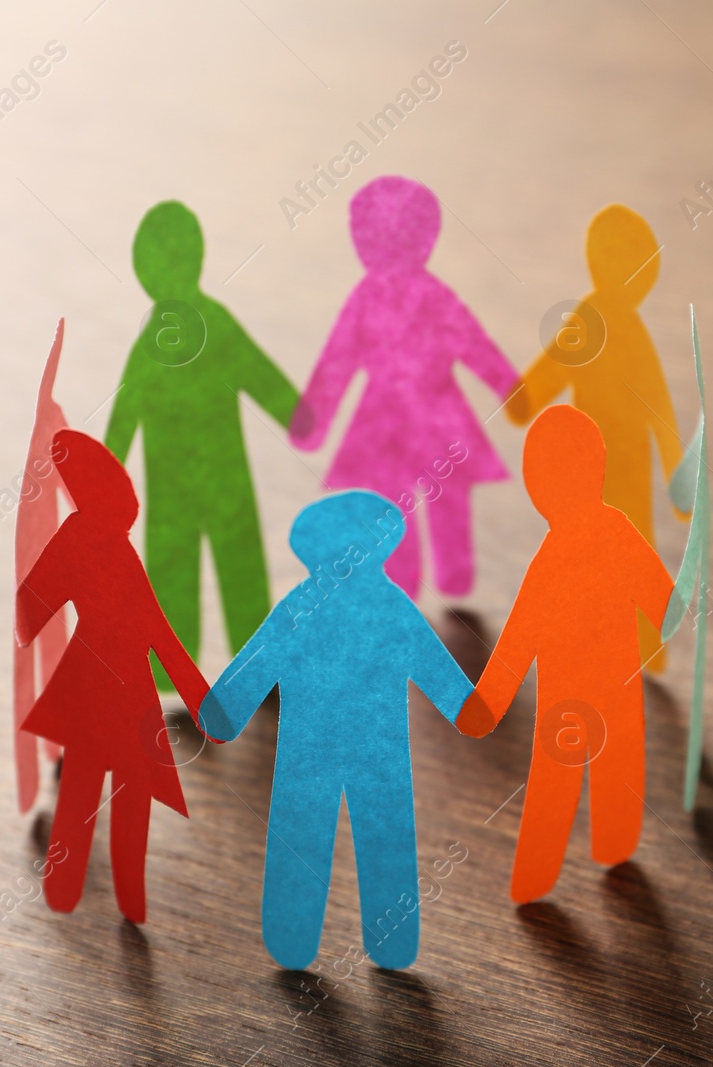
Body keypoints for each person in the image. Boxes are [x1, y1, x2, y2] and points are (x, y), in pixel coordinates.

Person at [199, 490, 472, 969]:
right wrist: (468, 710)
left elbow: (255, 669)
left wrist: (223, 713)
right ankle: (379, 942)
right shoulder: (387, 605)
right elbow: (439, 673)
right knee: (373, 837)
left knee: (312, 837)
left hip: (316, 749)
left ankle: (300, 939)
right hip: (371, 749)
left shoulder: (306, 605)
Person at [457, 406, 673, 903]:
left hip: (572, 700)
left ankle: (559, 866)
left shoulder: (558, 553)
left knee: (561, 780)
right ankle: (599, 849)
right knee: (600, 768)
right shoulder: (611, 532)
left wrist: (486, 706)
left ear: (539, 487)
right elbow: (665, 607)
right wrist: (686, 609)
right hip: (607, 689)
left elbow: (519, 637)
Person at [290, 175, 519, 600]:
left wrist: (314, 419)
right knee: (425, 495)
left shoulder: (382, 296)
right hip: (424, 415)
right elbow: (471, 342)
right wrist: (508, 387)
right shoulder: (424, 294)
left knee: (409, 499)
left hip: (396, 418)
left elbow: (338, 359)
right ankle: (427, 576)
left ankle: (425, 577)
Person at [16, 429, 211, 920]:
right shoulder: (84, 537)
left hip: (124, 690)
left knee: (127, 788)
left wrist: (201, 700)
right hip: (100, 686)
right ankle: (76, 888)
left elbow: (154, 629)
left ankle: (126, 899)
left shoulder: (111, 544)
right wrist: (201, 701)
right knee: (96, 781)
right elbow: (35, 607)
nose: (129, 501)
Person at [106, 201, 299, 687]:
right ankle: (200, 673)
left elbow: (124, 416)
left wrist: (103, 479)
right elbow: (258, 372)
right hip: (212, 479)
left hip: (186, 484)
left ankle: (185, 675)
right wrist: (298, 415)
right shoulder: (201, 325)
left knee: (204, 571)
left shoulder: (156, 340)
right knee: (214, 571)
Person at [506, 205, 686, 670]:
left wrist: (675, 474)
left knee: (619, 544)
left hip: (618, 462)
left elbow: (658, 405)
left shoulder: (617, 326)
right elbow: (556, 365)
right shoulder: (595, 319)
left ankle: (643, 643)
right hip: (590, 460)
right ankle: (608, 636)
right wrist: (526, 398)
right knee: (600, 546)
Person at [13, 319, 69, 814]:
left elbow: (74, 477)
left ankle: (56, 746)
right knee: (36, 648)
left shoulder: (50, 419)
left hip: (51, 551)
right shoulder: (40, 420)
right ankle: (47, 754)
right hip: (33, 556)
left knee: (50, 646)